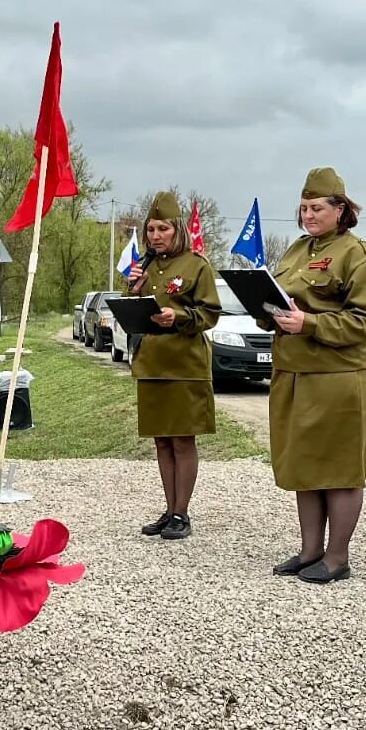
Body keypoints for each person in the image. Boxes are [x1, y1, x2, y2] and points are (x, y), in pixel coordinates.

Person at [259, 168, 366, 584]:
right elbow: (284, 303)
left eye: (317, 208)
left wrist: (310, 324)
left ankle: (337, 557)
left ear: (341, 210)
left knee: (339, 467)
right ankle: (310, 550)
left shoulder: (357, 254)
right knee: (306, 465)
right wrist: (270, 313)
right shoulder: (297, 251)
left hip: (338, 377)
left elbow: (365, 322)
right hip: (294, 371)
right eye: (304, 207)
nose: (308, 215)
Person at [126, 191, 221, 541]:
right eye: (151, 229)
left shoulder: (197, 265)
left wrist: (177, 316)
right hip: (152, 362)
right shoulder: (147, 265)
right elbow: (135, 310)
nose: (155, 236)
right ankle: (169, 511)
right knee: (161, 442)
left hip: (185, 363)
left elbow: (209, 314)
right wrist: (133, 289)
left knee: (182, 440)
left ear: (177, 229)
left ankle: (182, 513)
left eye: (162, 229)